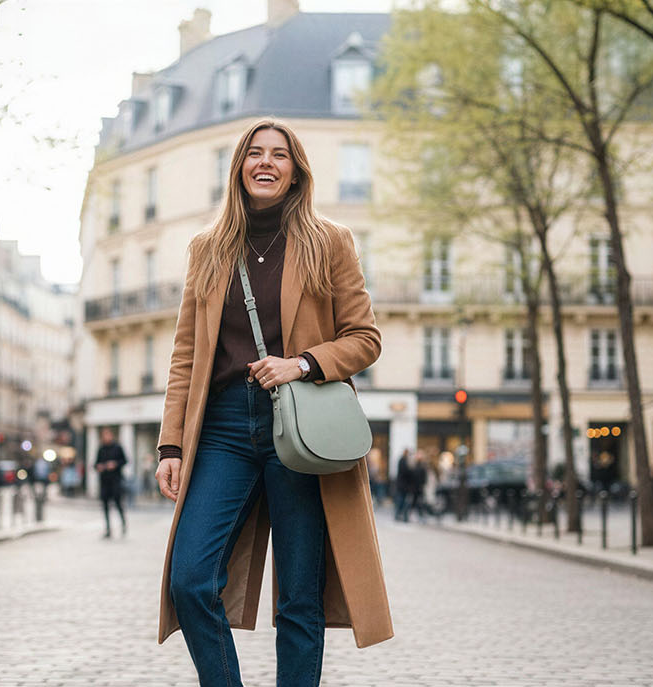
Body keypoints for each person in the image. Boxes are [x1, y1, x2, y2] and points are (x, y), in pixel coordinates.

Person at [152, 120, 391, 686]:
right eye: (254, 153)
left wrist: (302, 363)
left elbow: (365, 338)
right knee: (190, 578)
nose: (266, 162)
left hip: (300, 430)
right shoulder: (208, 250)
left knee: (299, 599)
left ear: (296, 170)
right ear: (239, 167)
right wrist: (170, 443)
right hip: (223, 430)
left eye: (279, 154)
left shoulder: (329, 241)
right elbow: (186, 353)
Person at [95, 427, 129, 539]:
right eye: (104, 435)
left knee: (118, 504)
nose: (106, 437)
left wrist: (115, 464)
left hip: (116, 480)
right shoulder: (101, 449)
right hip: (104, 481)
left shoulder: (118, 447)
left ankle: (123, 525)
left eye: (107, 435)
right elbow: (95, 464)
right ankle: (108, 529)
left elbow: (125, 461)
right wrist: (98, 467)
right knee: (105, 506)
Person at [393, 450, 418, 522]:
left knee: (403, 501)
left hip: (404, 485)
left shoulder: (403, 460)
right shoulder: (403, 461)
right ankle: (400, 515)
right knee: (403, 501)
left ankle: (401, 515)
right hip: (403, 485)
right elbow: (406, 472)